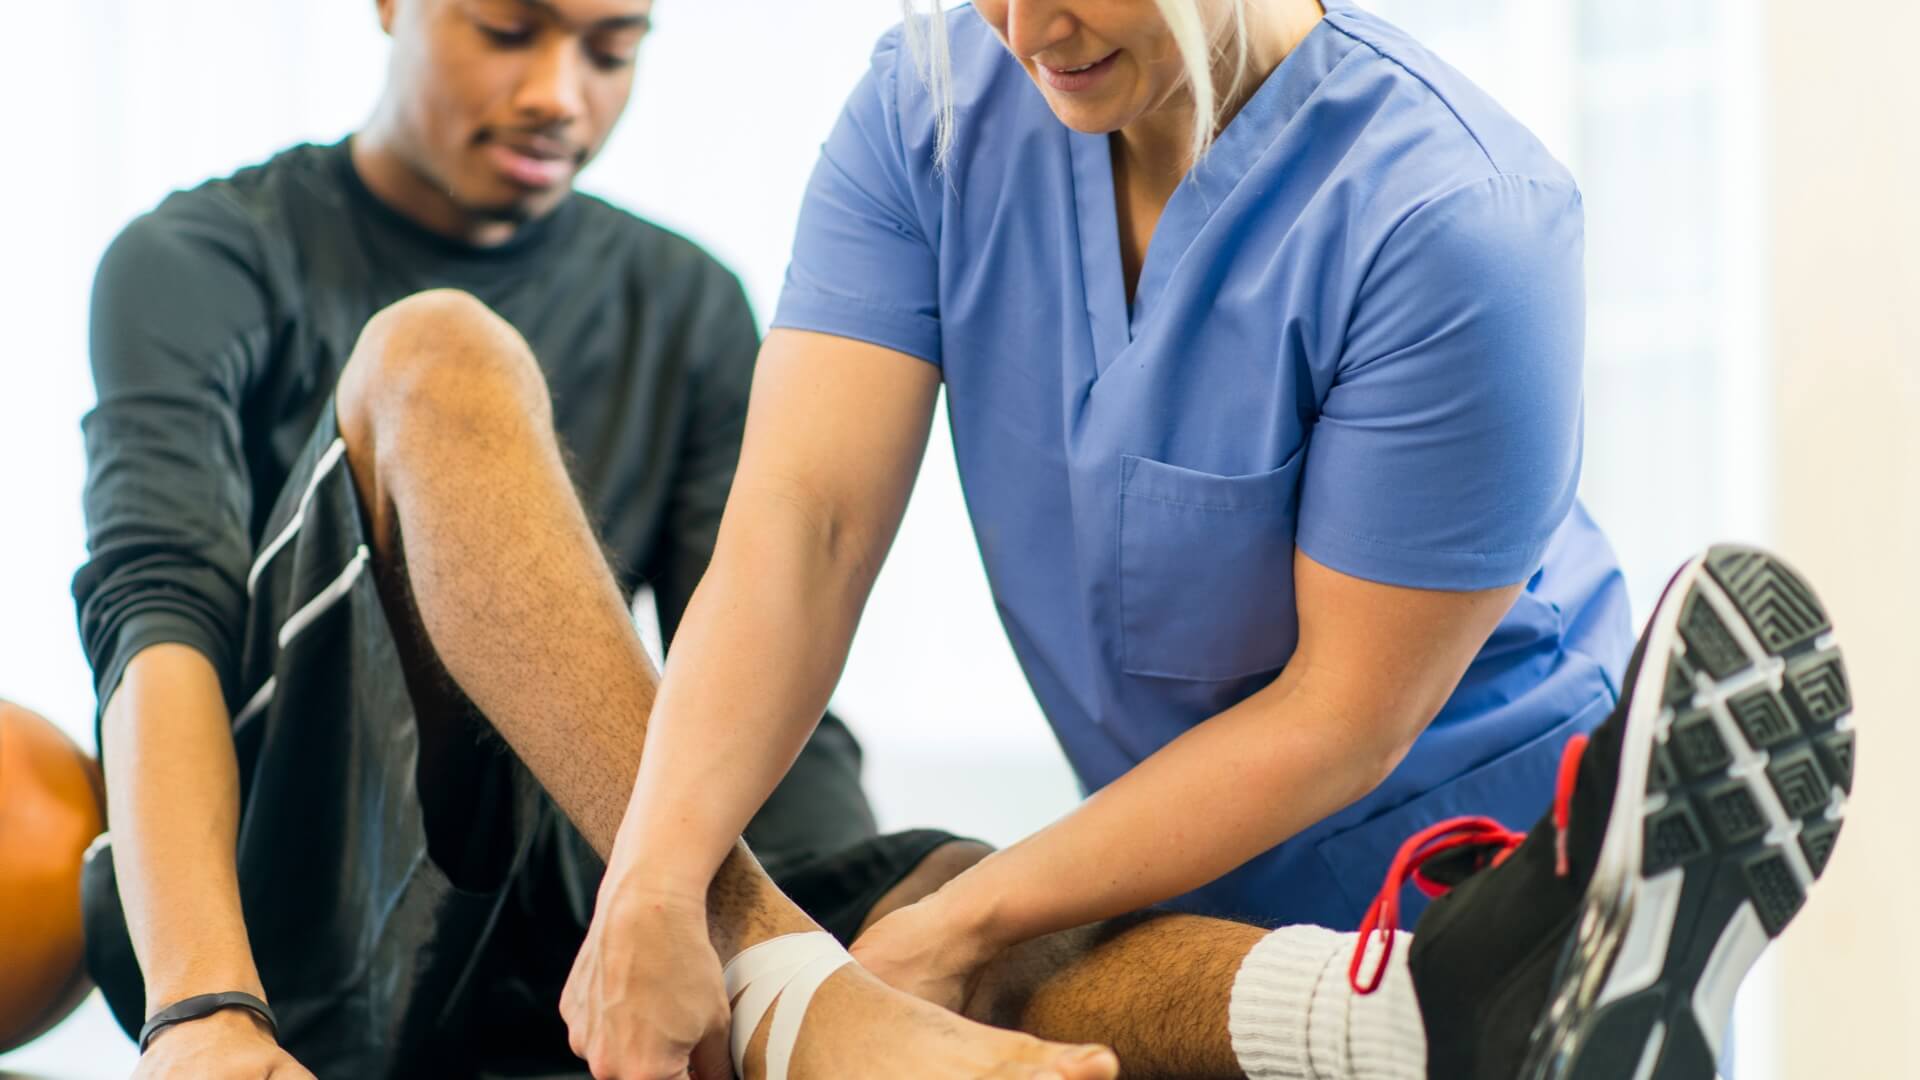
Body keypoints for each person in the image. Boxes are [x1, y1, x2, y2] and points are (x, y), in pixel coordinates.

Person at [561, 0, 1856, 1077]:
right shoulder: (936, 110)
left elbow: (1344, 716)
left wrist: (963, 922)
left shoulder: (1455, 213)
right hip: (1181, 893)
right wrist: (656, 888)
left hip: (1481, 882)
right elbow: (808, 526)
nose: (1025, 28)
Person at [71, 0, 1113, 1076]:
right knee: (436, 349)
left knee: (990, 916)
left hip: (585, 931)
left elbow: (758, 657)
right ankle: (792, 987)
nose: (560, 96)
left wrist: (871, 919)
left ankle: (1297, 999)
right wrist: (201, 1009)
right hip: (292, 919)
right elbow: (155, 627)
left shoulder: (684, 299)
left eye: (611, 51)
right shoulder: (196, 257)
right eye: (509, 33)